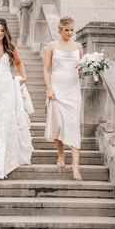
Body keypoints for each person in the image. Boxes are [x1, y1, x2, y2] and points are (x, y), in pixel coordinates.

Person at [0, 18, 33, 183]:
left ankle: (3, 163)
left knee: (5, 125)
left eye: (2, 30)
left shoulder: (10, 47)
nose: (0, 33)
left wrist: (24, 76)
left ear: (5, 31)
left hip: (7, 90)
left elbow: (19, 62)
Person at [43, 16, 83, 180]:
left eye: (72, 30)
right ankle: (61, 154)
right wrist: (49, 89)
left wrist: (90, 69)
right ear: (60, 30)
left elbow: (80, 71)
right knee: (58, 125)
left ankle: (75, 166)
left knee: (73, 126)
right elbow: (46, 69)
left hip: (73, 91)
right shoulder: (52, 46)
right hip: (57, 91)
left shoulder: (78, 47)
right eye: (66, 30)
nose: (70, 33)